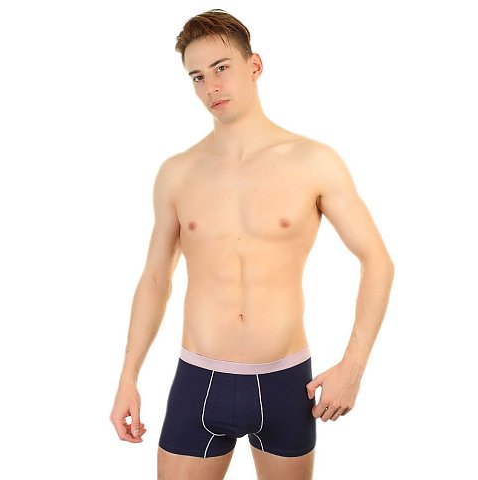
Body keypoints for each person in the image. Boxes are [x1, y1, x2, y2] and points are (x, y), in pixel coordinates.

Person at [109, 8, 394, 480]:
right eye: (197, 77)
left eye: (221, 68)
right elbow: (156, 279)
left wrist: (354, 366)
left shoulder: (313, 162)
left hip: (287, 383)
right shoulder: (177, 173)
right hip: (199, 379)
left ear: (254, 65)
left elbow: (377, 261)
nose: (211, 87)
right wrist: (127, 377)